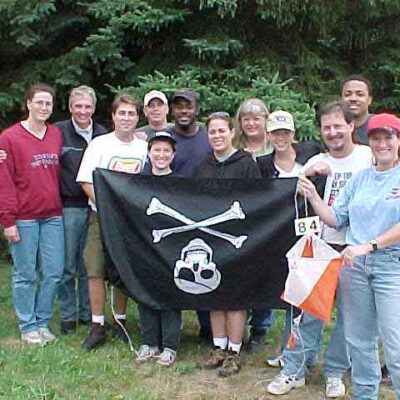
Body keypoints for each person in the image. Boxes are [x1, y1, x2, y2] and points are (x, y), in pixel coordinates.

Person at [267, 100, 372, 397]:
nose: (333, 132)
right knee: (308, 311)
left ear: (352, 126)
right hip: (322, 245)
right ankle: (294, 369)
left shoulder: (368, 156)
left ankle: (336, 371)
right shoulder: (315, 162)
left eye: (339, 126)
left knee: (349, 317)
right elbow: (296, 199)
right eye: (327, 127)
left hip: (357, 247)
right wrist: (310, 176)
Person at [297, 112, 400, 400]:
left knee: (394, 344)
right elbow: (336, 218)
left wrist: (370, 245)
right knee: (359, 341)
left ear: (398, 140)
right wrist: (314, 198)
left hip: (391, 267)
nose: (382, 144)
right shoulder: (360, 179)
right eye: (376, 138)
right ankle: (365, 395)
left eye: (388, 137)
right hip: (354, 267)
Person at [76, 93, 147, 350]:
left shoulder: (143, 147)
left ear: (137, 118)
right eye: (122, 113)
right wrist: (106, 207)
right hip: (101, 216)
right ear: (113, 116)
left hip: (130, 220)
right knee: (95, 267)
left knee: (123, 270)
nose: (126, 118)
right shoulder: (99, 144)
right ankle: (97, 325)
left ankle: (119, 321)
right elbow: (85, 181)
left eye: (131, 113)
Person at [195, 111, 261, 377]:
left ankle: (234, 350)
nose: (217, 136)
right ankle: (218, 346)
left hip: (238, 238)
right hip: (210, 238)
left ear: (232, 132)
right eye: (212, 132)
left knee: (235, 295)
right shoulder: (203, 165)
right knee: (214, 292)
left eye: (222, 131)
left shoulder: (246, 164)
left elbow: (257, 199)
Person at [0, 83, 64, 346]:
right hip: (23, 217)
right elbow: (4, 181)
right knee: (25, 273)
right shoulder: (9, 138)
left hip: (52, 215)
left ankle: (42, 321)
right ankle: (27, 325)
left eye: (48, 103)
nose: (44, 107)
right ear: (28, 104)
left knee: (53, 271)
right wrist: (8, 220)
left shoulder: (55, 134)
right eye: (39, 102)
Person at [257, 110, 320, 366]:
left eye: (285, 132)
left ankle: (302, 352)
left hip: (310, 235)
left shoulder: (311, 156)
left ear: (293, 134)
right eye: (275, 133)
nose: (280, 137)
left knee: (305, 296)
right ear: (268, 135)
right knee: (287, 294)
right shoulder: (262, 164)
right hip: (277, 236)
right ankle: (292, 349)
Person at [56, 85, 107, 334]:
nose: (83, 111)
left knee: (90, 264)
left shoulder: (102, 134)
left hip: (97, 207)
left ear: (94, 108)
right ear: (70, 108)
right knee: (67, 264)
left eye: (87, 106)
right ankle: (68, 314)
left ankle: (89, 313)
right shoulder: (58, 133)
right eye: (78, 106)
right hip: (69, 206)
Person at [167, 88, 212, 340]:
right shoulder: (163, 139)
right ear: (172, 110)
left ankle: (207, 326)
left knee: (204, 263)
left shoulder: (208, 138)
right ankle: (170, 327)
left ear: (196, 109)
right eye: (179, 106)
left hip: (204, 211)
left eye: (189, 106)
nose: (184, 111)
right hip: (172, 213)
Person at [135, 132, 182, 366]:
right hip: (144, 245)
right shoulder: (137, 182)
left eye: (166, 151)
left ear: (173, 155)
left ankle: (170, 345)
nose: (161, 155)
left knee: (169, 293)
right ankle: (149, 342)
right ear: (149, 153)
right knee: (145, 291)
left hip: (171, 247)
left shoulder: (181, 183)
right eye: (157, 150)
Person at [235, 98, 274, 351]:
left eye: (256, 118)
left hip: (268, 220)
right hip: (238, 220)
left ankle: (260, 327)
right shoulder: (232, 147)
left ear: (265, 120)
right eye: (246, 118)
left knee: (264, 273)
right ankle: (235, 324)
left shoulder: (276, 148)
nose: (251, 123)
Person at [341, 75, 373, 145]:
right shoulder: (334, 129)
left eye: (360, 95)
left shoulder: (380, 125)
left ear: (369, 100)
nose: (353, 99)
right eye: (347, 94)